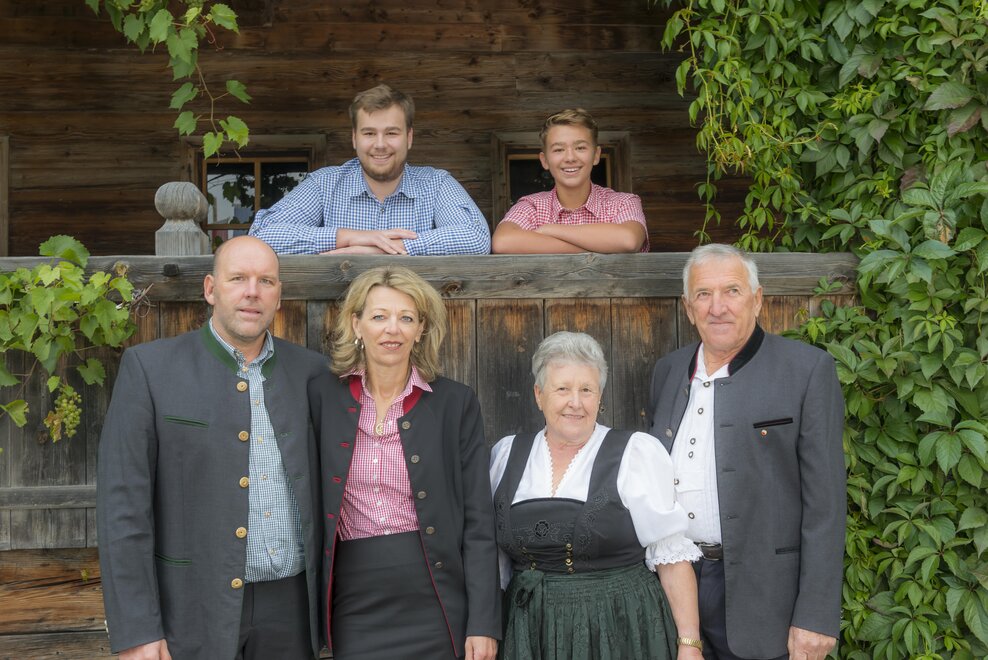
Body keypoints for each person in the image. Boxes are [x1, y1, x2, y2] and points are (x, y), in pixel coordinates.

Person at [96, 236, 328, 660]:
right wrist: (137, 630)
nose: (252, 292)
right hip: (191, 608)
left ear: (279, 296)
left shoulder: (313, 372)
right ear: (210, 289)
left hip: (293, 610)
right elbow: (122, 509)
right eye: (238, 278)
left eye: (265, 281)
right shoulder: (150, 369)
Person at [648, 243, 846, 660]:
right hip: (675, 593)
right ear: (688, 308)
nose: (717, 307)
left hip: (767, 600)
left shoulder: (807, 370)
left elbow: (825, 505)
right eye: (704, 294)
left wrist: (816, 614)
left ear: (757, 300)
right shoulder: (668, 371)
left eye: (732, 291)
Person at [308, 265, 500, 659]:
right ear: (356, 324)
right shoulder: (322, 396)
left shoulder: (455, 403)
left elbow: (479, 521)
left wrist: (483, 621)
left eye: (406, 318)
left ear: (421, 329)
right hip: (355, 598)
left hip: (436, 595)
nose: (392, 329)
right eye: (379, 316)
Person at [490, 331, 703, 659]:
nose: (575, 402)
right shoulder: (506, 455)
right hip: (529, 627)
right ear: (539, 394)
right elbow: (495, 562)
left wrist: (689, 644)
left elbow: (670, 558)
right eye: (562, 389)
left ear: (599, 396)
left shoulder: (635, 453)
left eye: (586, 390)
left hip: (618, 626)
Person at [249, 84, 490, 255]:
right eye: (369, 133)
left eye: (391, 133)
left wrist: (384, 249)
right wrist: (349, 238)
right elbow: (261, 235)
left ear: (409, 137)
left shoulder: (436, 184)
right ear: (355, 138)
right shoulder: (324, 184)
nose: (380, 144)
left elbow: (477, 238)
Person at [491, 108, 648, 254]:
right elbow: (502, 242)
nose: (570, 158)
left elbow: (628, 240)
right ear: (544, 160)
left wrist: (551, 230)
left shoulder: (623, 203)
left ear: (596, 155)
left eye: (580, 148)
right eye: (559, 149)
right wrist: (601, 247)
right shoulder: (532, 207)